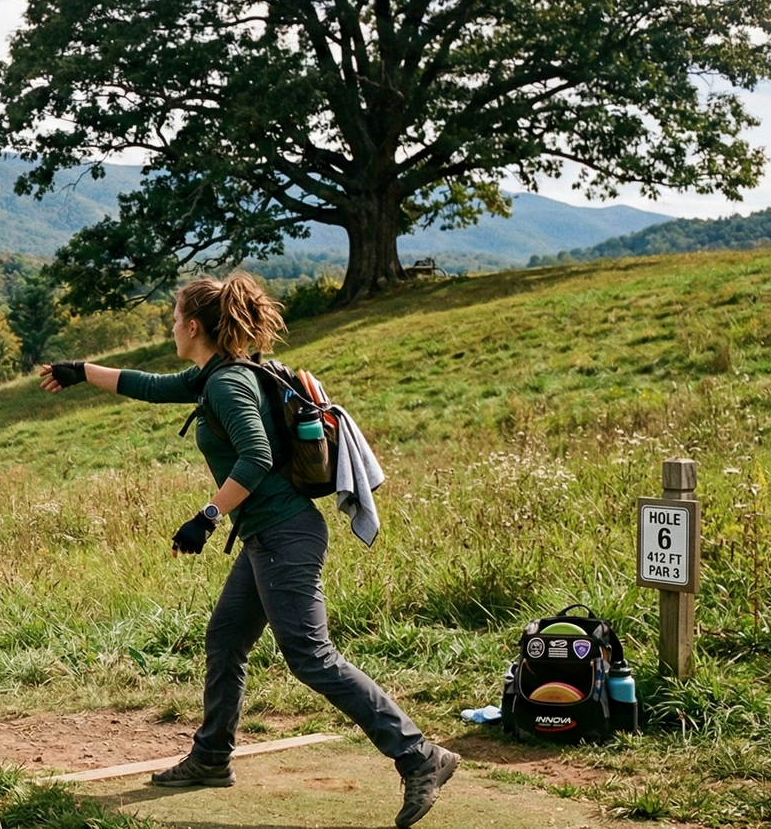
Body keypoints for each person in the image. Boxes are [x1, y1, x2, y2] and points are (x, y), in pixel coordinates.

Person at [38, 273, 458, 829]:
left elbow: (256, 457)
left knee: (311, 656)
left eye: (172, 318)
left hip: (284, 535)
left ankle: (419, 755)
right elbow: (153, 386)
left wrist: (206, 517)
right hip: (267, 536)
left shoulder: (228, 385)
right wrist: (79, 372)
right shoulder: (215, 375)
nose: (170, 327)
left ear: (192, 326)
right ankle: (212, 757)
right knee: (227, 638)